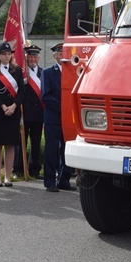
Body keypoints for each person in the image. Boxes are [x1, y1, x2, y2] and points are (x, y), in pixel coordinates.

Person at [0, 42, 23, 187]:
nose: (7, 56)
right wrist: (2, 106)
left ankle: (8, 176)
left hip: (13, 112)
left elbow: (21, 92)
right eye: (3, 54)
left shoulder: (17, 71)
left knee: (10, 145)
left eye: (9, 54)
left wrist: (13, 106)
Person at [42, 43, 75, 192]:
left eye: (64, 52)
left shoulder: (74, 71)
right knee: (52, 150)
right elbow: (46, 96)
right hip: (53, 118)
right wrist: (64, 108)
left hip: (70, 119)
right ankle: (50, 181)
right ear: (54, 55)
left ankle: (64, 180)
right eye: (59, 52)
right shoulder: (48, 72)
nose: (62, 54)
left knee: (67, 149)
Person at [14, 44, 44, 180]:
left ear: (38, 58)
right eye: (30, 56)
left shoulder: (43, 73)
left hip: (38, 113)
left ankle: (34, 169)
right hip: (24, 113)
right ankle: (18, 169)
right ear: (25, 57)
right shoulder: (21, 73)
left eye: (35, 56)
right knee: (20, 142)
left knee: (36, 142)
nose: (32, 59)